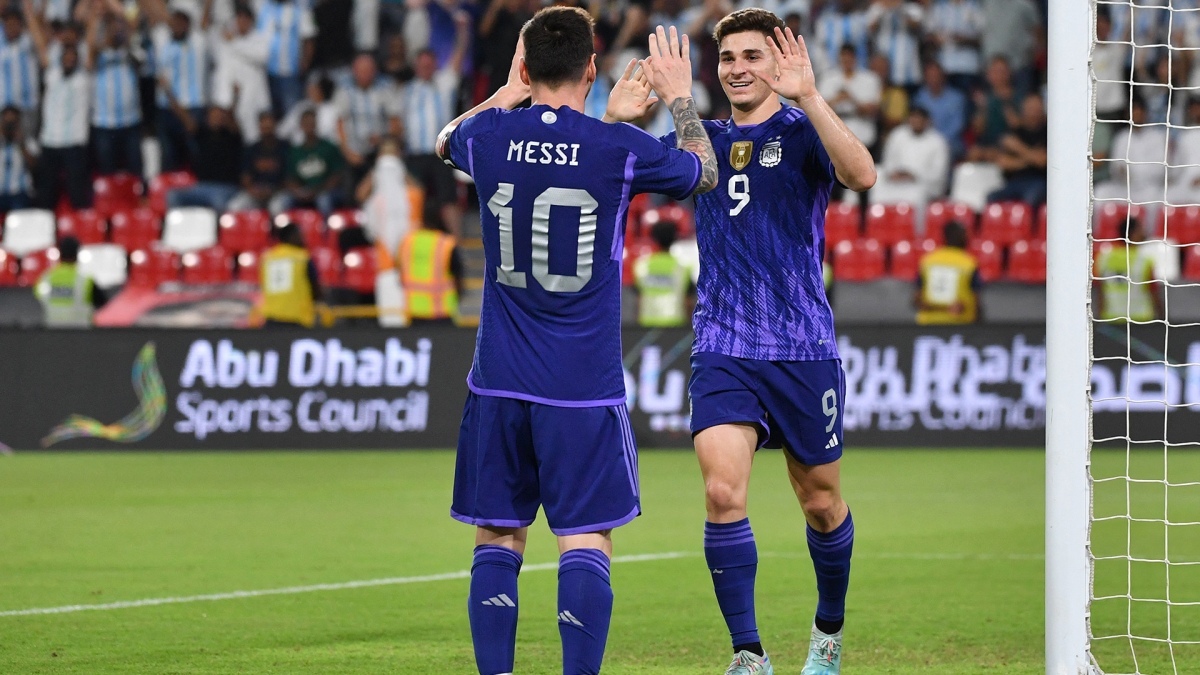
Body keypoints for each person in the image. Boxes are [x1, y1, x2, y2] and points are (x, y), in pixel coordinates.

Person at [434, 8, 717, 674]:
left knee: (498, 536)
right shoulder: (616, 149)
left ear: (525, 66)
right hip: (581, 387)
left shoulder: (491, 135)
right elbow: (702, 170)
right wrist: (679, 97)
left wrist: (507, 91)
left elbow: (445, 141)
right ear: (593, 68)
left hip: (498, 380)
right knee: (584, 539)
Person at [606, 9, 876, 675]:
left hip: (802, 348)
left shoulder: (802, 130)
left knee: (821, 502)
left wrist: (811, 96)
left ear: (778, 63)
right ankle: (748, 653)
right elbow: (612, 169)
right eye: (728, 58)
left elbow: (862, 174)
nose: (738, 68)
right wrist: (616, 121)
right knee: (723, 494)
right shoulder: (702, 142)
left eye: (752, 55)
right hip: (723, 347)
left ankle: (828, 633)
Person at [402, 10, 470, 237]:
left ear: (434, 65)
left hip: (440, 152)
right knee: (414, 197)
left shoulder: (444, 83)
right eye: (422, 65)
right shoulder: (406, 91)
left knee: (448, 197)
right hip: (415, 153)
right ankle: (413, 241)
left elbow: (459, 55)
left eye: (429, 64)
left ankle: (456, 245)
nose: (425, 68)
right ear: (416, 66)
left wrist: (462, 31)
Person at [26, 0, 94, 211]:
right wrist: (30, 13)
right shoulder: (52, 73)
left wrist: (95, 16)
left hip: (75, 142)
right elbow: (39, 40)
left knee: (78, 196)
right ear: (61, 57)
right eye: (67, 57)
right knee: (46, 196)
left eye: (74, 58)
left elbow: (90, 41)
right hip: (50, 140)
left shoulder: (84, 76)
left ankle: (81, 229)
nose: (69, 60)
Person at [140, 0, 209, 172]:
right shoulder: (162, 40)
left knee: (196, 158)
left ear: (188, 25)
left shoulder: (199, 41)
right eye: (174, 22)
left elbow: (205, 21)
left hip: (193, 107)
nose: (177, 26)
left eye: (182, 22)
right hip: (166, 109)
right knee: (168, 159)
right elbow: (149, 7)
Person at [88, 5, 143, 178]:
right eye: (111, 26)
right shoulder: (99, 55)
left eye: (118, 26)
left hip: (131, 120)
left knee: (136, 172)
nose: (115, 30)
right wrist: (99, 19)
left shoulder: (131, 51)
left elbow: (140, 60)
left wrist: (124, 26)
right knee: (107, 173)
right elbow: (91, 49)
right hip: (104, 123)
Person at [869, 106, 949, 219]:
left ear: (927, 121)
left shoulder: (937, 141)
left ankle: (916, 229)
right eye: (913, 118)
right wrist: (893, 173)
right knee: (878, 193)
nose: (915, 121)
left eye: (919, 118)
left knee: (915, 196)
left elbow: (938, 172)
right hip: (896, 181)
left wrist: (914, 176)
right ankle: (878, 227)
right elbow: (888, 161)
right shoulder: (898, 135)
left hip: (923, 185)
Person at [333, 53, 401, 182]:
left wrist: (383, 140)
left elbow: (395, 122)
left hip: (379, 150)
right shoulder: (344, 91)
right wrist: (348, 152)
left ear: (375, 71)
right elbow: (339, 124)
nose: (365, 74)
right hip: (353, 152)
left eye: (368, 70)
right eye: (361, 70)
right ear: (354, 71)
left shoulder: (386, 89)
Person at [166, 106, 244, 210]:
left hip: (224, 187)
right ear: (207, 118)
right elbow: (185, 118)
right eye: (213, 115)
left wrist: (234, 102)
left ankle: (218, 221)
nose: (216, 118)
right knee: (173, 196)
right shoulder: (202, 134)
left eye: (219, 116)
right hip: (201, 186)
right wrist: (170, 97)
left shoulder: (232, 136)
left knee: (219, 202)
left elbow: (232, 118)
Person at [1094, 217, 1163, 324]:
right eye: (1141, 229)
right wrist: (1162, 316)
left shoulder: (1104, 258)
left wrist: (1099, 319)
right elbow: (1153, 292)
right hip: (1140, 319)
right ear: (1132, 233)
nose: (1144, 233)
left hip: (1111, 318)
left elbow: (1100, 291)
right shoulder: (1144, 261)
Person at [257, 0, 317, 118]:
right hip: (266, 72)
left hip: (290, 73)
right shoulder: (265, 8)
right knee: (270, 113)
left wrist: (305, 64)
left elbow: (309, 39)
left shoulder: (300, 10)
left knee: (291, 113)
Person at [914, 221, 981, 325]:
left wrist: (932, 307)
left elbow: (917, 298)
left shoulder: (928, 260)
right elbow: (976, 297)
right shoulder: (969, 263)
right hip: (960, 325)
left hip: (928, 324)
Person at [987, 93, 1048, 207]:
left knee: (1031, 197)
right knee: (992, 197)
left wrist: (1018, 149)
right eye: (1030, 107)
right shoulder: (1016, 132)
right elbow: (1003, 162)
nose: (1033, 111)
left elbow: (1043, 161)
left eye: (1036, 107)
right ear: (1023, 109)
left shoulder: (1049, 133)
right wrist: (1032, 157)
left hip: (1038, 182)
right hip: (1013, 182)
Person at [817, 44, 881, 149]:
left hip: (863, 136)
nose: (846, 61)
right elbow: (819, 109)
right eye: (844, 57)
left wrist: (851, 99)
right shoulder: (828, 78)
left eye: (849, 57)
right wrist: (837, 99)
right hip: (834, 136)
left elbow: (872, 111)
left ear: (855, 58)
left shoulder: (870, 79)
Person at [281, 108, 345, 214]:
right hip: (303, 192)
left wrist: (319, 190)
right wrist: (299, 192)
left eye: (311, 123)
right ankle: (290, 225)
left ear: (316, 124)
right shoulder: (295, 151)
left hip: (324, 191)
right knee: (285, 200)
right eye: (306, 123)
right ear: (301, 126)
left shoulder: (328, 147)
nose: (308, 126)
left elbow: (337, 175)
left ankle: (325, 225)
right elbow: (290, 178)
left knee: (323, 200)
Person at [35, 236, 107, 328]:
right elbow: (103, 302)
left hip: (52, 332)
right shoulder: (86, 281)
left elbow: (36, 302)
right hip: (80, 332)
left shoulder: (45, 279)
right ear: (77, 254)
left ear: (60, 254)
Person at [398, 220, 461, 326]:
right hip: (442, 312)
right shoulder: (446, 243)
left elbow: (400, 270)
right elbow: (458, 274)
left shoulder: (407, 241)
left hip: (415, 312)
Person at [259, 222, 321, 327]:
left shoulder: (267, 258)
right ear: (291, 237)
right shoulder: (303, 258)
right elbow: (316, 289)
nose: (303, 239)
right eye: (300, 235)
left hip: (270, 318)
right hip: (296, 319)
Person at [633, 220, 692, 328]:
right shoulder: (683, 267)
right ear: (675, 238)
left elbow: (638, 299)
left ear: (654, 239)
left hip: (646, 325)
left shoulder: (641, 266)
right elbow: (688, 301)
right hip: (676, 326)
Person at [229, 111, 290, 212]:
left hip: (277, 192)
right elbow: (245, 176)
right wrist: (252, 190)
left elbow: (289, 178)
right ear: (259, 127)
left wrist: (272, 191)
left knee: (276, 208)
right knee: (234, 206)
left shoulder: (285, 148)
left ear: (275, 125)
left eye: (269, 126)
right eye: (264, 126)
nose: (267, 129)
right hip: (255, 191)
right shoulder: (252, 149)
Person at [0, 106, 33, 210]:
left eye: (12, 123)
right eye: (7, 122)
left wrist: (21, 144)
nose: (9, 126)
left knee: (19, 211)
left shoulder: (27, 141)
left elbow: (35, 166)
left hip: (19, 192)